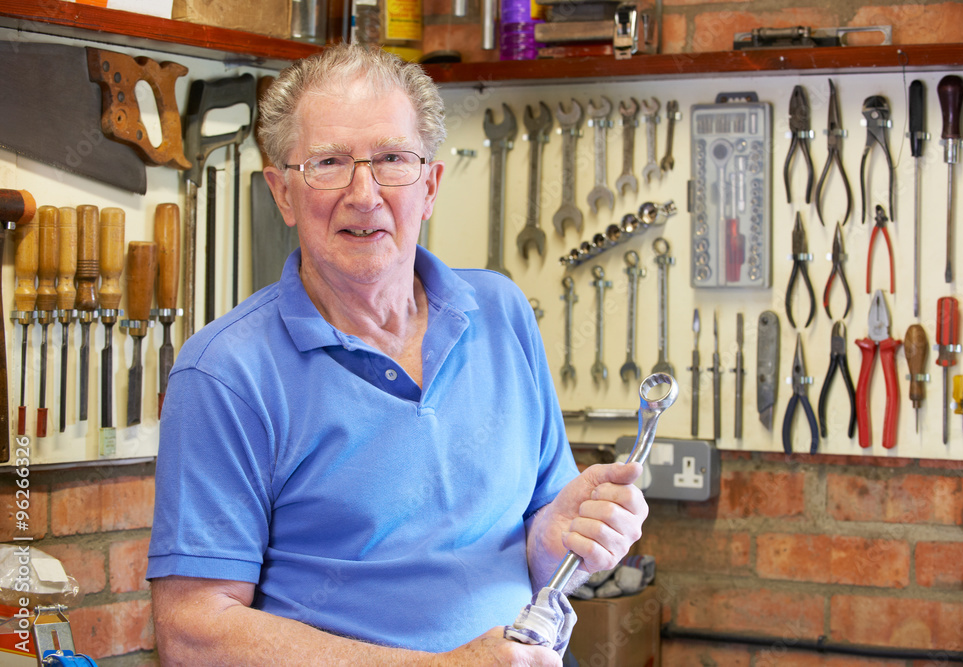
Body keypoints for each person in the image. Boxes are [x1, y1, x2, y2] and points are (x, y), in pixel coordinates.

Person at [147, 43, 648, 666]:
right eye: (328, 162)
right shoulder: (224, 373)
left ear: (431, 184)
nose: (364, 193)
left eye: (391, 159)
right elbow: (193, 633)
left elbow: (534, 546)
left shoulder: (501, 312)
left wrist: (560, 539)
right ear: (281, 192)